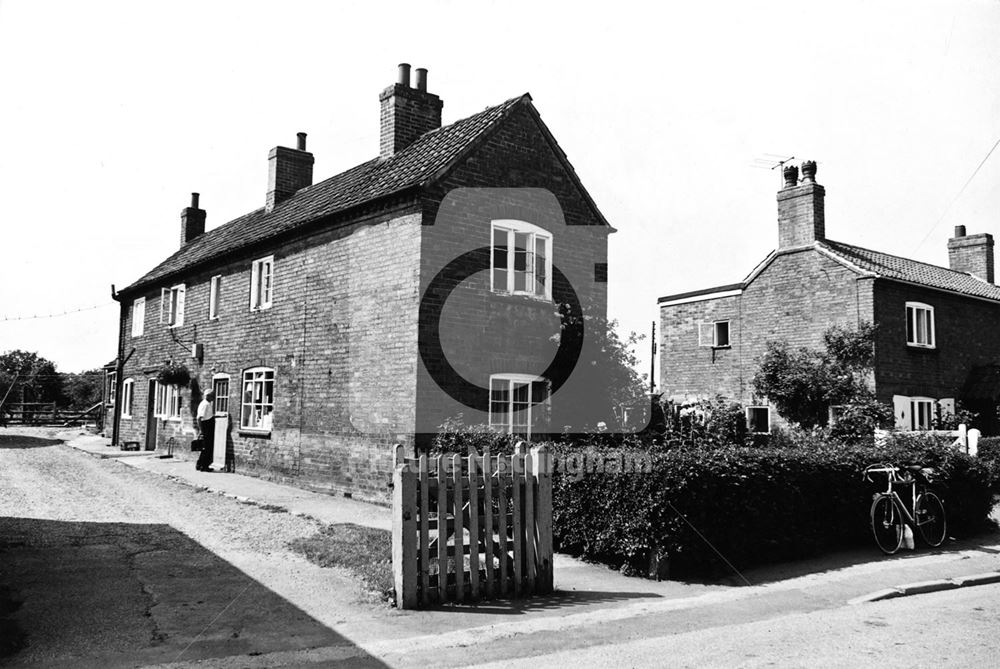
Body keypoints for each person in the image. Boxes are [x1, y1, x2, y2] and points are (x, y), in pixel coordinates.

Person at [196, 390, 215, 471]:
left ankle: (200, 464)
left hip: (207, 425)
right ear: (207, 396)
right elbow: (200, 418)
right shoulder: (205, 404)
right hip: (206, 426)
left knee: (206, 447)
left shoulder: (206, 404)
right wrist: (201, 430)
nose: (213, 397)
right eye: (212, 396)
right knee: (208, 447)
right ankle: (204, 466)